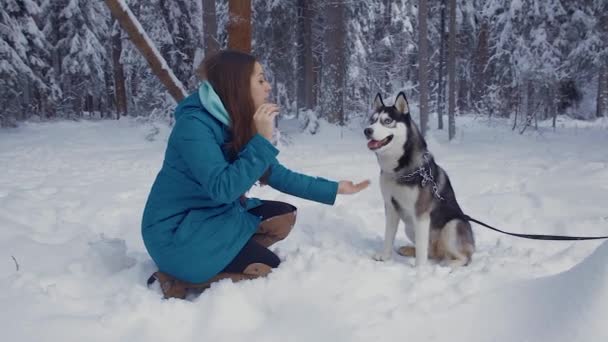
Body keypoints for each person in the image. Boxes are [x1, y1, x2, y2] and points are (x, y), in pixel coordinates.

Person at [142, 50, 369, 299]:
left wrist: (335, 188)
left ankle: (222, 255)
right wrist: (261, 139)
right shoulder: (194, 125)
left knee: (283, 218)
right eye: (260, 80)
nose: (268, 86)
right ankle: (178, 277)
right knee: (265, 268)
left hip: (210, 218)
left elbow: (278, 175)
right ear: (237, 85)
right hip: (176, 234)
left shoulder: (234, 119)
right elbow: (223, 188)